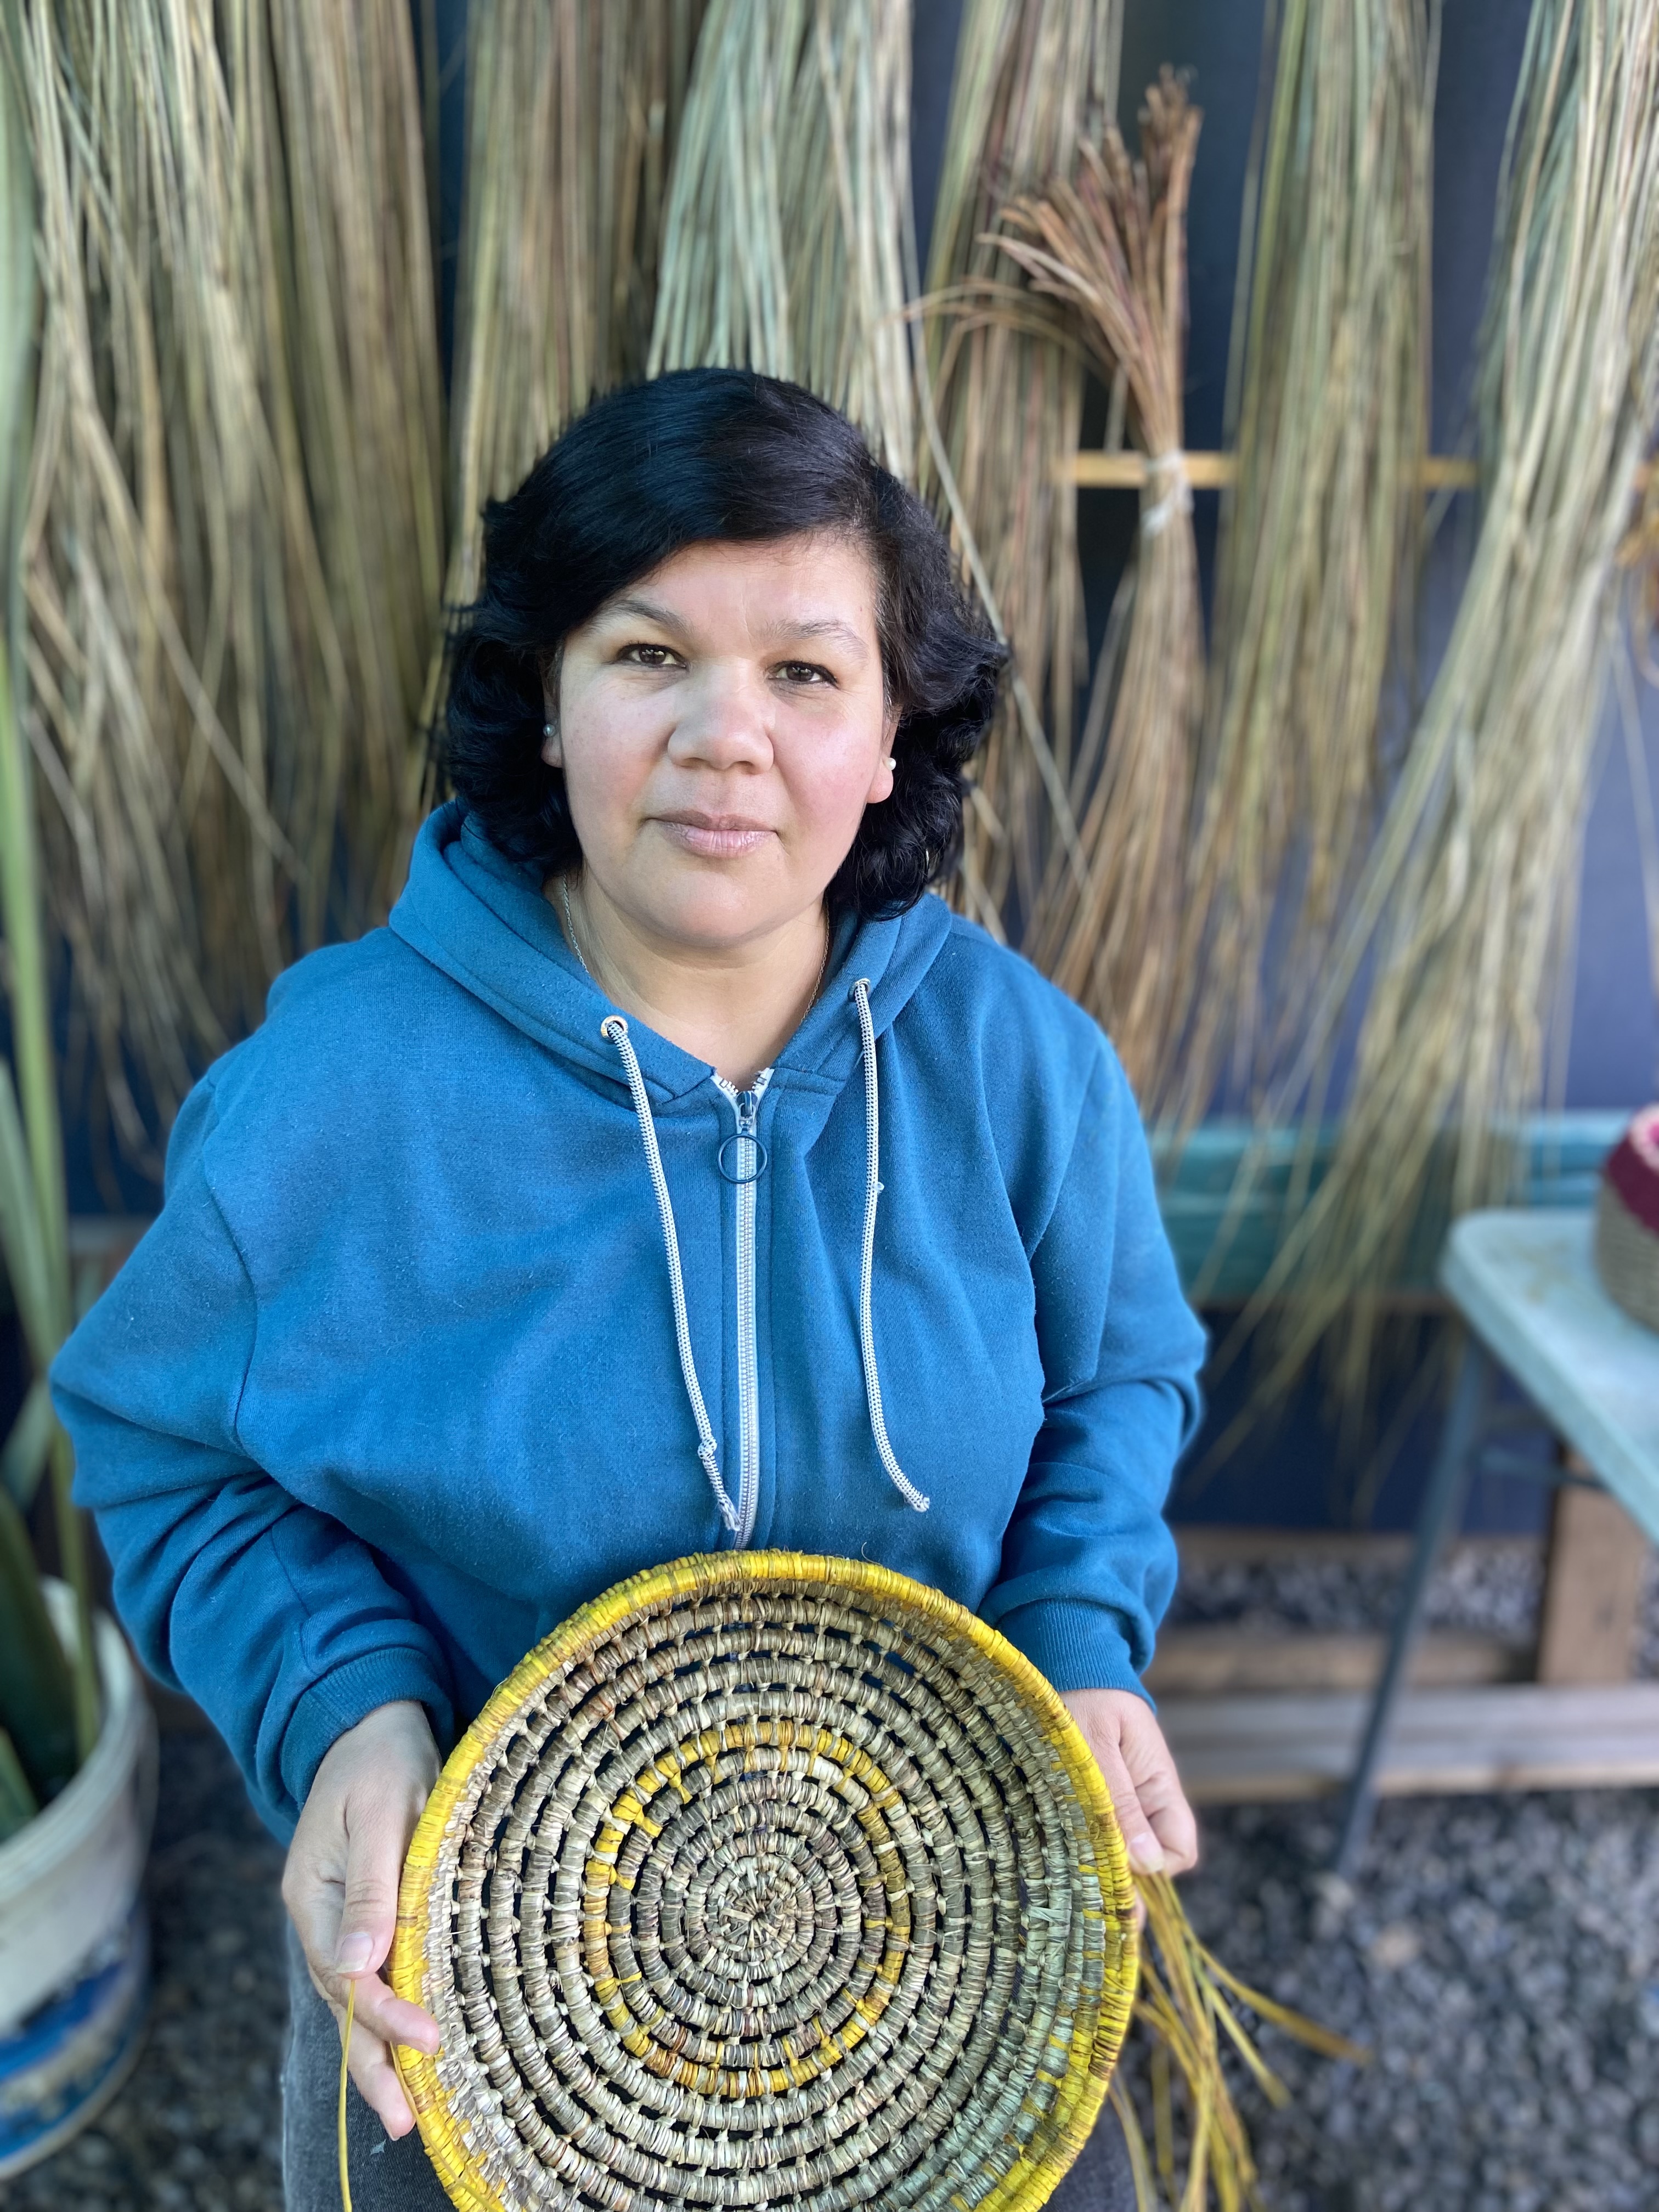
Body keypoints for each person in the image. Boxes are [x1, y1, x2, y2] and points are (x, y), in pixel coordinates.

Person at [52, 367, 1207, 2211]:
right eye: (650, 655)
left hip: (949, 1932)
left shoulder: (1020, 1066)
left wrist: (1078, 1628)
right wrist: (342, 1703)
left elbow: (1118, 1378)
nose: (724, 736)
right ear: (547, 698)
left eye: (805, 673)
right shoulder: (331, 1101)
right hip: (474, 1970)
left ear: (892, 734)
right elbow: (162, 1448)